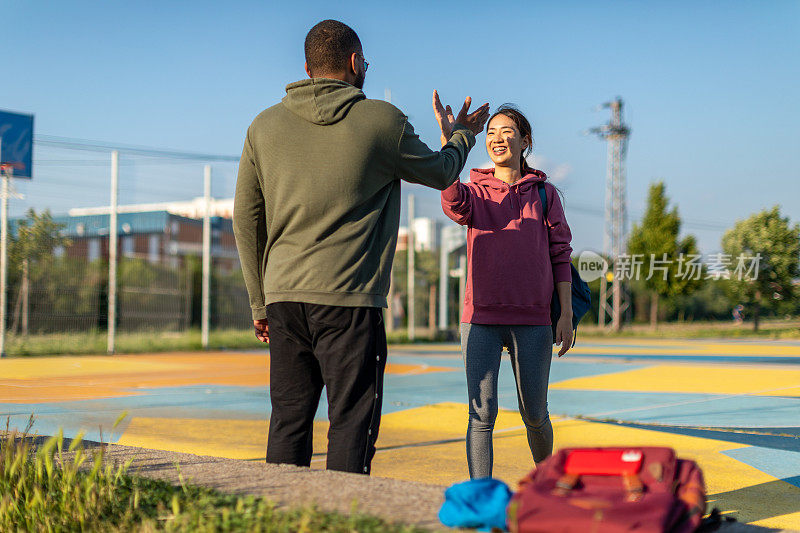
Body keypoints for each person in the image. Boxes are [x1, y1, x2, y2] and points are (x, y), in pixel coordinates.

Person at [232, 19, 489, 475]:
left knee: (288, 420)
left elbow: (246, 219)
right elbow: (442, 172)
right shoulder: (381, 121)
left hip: (284, 300)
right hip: (349, 302)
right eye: (364, 62)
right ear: (355, 63)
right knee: (351, 422)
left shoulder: (263, 126)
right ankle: (342, 518)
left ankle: (275, 515)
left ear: (307, 67)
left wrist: (260, 301)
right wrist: (461, 136)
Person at [434, 96, 574, 479]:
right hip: (479, 319)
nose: (498, 139)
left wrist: (565, 314)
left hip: (533, 321)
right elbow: (453, 204)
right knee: (481, 415)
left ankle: (548, 484)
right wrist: (452, 143)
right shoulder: (474, 190)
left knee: (535, 413)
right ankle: (481, 497)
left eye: (507, 132)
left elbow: (561, 255)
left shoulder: (544, 195)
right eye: (491, 133)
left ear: (525, 141)